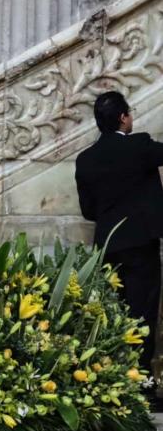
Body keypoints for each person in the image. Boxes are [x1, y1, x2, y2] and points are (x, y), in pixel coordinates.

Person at [75, 91, 163, 373]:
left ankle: (114, 380)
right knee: (142, 314)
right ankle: (142, 381)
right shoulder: (140, 145)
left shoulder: (85, 159)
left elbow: (88, 210)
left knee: (112, 313)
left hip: (108, 246)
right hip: (141, 245)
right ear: (123, 118)